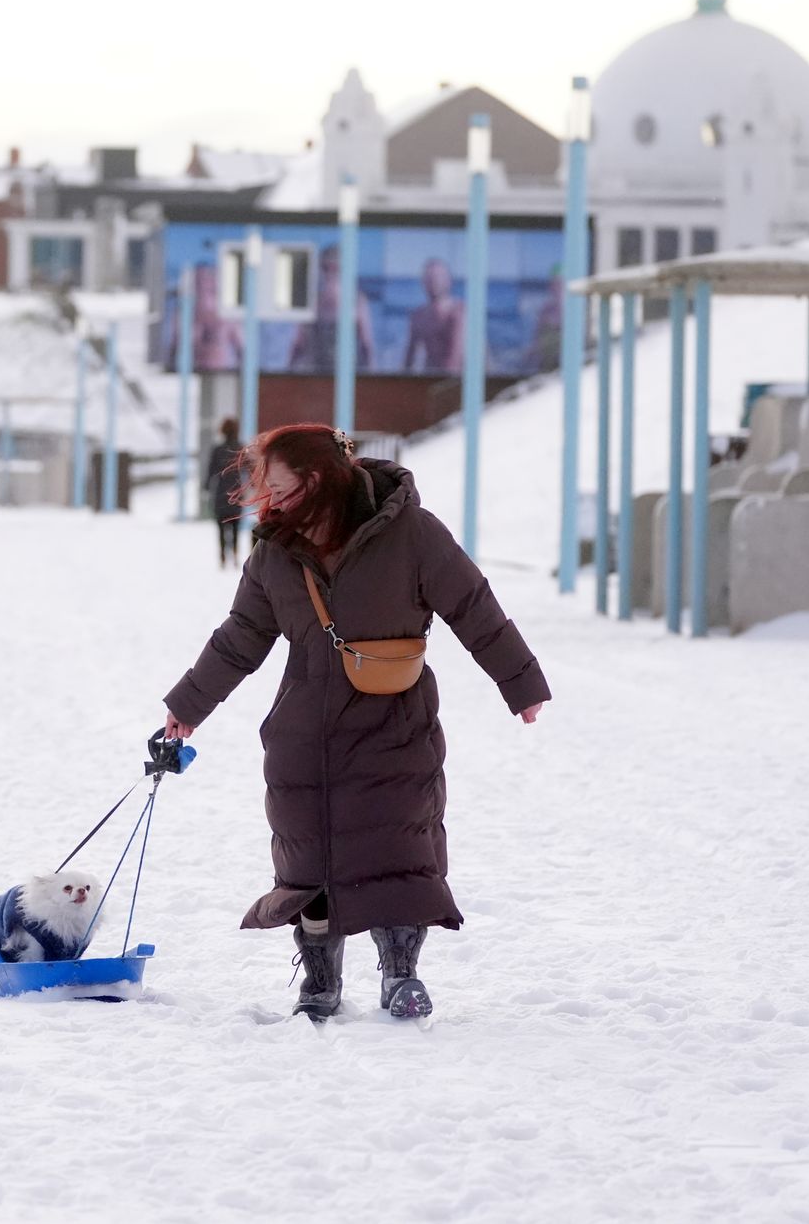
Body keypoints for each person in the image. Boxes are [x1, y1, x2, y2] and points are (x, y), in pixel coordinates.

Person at [159, 424, 549, 1023]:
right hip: (304, 729)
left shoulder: (412, 533)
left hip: (395, 720)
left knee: (398, 846)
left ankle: (401, 973)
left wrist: (519, 681)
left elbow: (474, 606)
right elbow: (240, 637)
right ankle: (318, 976)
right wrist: (188, 706)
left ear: (317, 480)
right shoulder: (275, 553)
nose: (268, 500)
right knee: (307, 857)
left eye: (279, 487)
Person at [283, 244, 374, 373]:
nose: (331, 273)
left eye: (336, 268)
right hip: (314, 375)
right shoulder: (312, 301)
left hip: (346, 375)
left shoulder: (357, 301)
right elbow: (298, 344)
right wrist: (288, 373)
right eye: (326, 268)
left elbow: (366, 345)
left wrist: (371, 380)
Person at [403, 258, 465, 374]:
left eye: (438, 277)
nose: (433, 282)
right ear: (423, 282)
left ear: (448, 280)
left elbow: (454, 359)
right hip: (431, 378)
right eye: (429, 278)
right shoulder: (418, 316)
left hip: (458, 381)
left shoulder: (459, 312)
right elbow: (408, 359)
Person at [207, 416, 245, 568]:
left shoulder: (217, 450)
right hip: (236, 492)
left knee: (221, 527)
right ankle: (235, 553)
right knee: (236, 526)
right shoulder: (241, 448)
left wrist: (206, 487)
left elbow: (211, 471)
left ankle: (222, 556)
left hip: (221, 493)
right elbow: (249, 469)